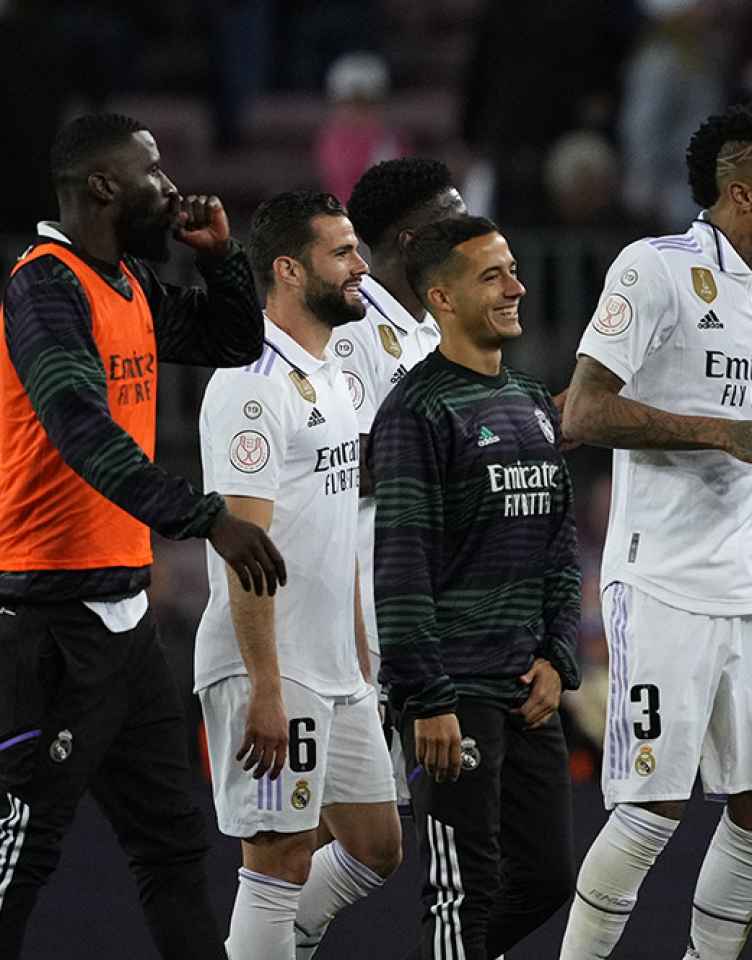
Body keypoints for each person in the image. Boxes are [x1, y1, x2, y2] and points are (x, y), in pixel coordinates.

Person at [0, 112, 283, 960]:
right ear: (103, 187)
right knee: (20, 862)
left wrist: (221, 259)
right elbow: (80, 429)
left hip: (124, 628)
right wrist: (206, 519)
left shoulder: (128, 283)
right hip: (47, 624)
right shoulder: (43, 285)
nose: (171, 186)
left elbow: (236, 340)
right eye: (152, 172)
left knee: (173, 849)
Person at [558, 102, 752, 960]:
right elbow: (582, 412)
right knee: (651, 808)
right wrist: (721, 430)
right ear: (739, 194)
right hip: (662, 574)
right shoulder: (655, 269)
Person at [193, 189, 401, 958]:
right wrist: (268, 687)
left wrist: (361, 659)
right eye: (342, 253)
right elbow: (244, 549)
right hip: (270, 666)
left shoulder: (336, 380)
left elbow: (338, 531)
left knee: (376, 845)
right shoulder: (250, 382)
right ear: (288, 267)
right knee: (276, 862)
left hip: (336, 667)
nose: (361, 267)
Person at [374, 214, 581, 960]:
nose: (516, 287)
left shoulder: (529, 397)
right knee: (463, 887)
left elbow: (558, 541)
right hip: (454, 689)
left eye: (515, 270)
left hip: (527, 685)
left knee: (548, 877)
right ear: (442, 298)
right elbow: (400, 566)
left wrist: (559, 654)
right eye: (492, 276)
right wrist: (425, 697)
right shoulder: (416, 410)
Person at [337, 156, 463, 811]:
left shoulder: (432, 329)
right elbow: (342, 461)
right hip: (363, 602)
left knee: (382, 836)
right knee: (359, 829)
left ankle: (290, 919)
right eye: (455, 222)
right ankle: (280, 917)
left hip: (423, 598)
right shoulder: (352, 327)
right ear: (413, 242)